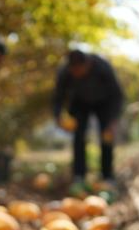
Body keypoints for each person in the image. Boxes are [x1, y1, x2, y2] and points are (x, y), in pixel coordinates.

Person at [52, 49, 124, 185]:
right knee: (79, 137)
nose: (76, 74)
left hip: (104, 102)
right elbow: (58, 96)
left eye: (79, 70)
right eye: (73, 70)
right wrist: (58, 116)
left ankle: (107, 176)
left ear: (88, 64)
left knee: (106, 137)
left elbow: (117, 95)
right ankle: (79, 176)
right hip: (80, 103)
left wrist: (113, 120)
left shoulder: (102, 67)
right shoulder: (65, 71)